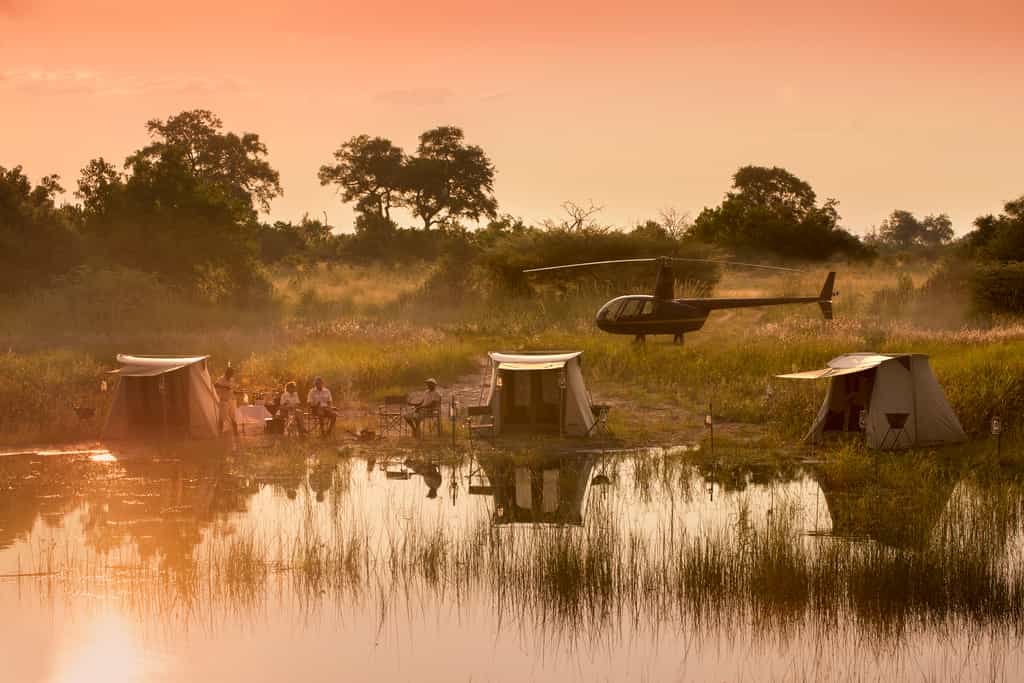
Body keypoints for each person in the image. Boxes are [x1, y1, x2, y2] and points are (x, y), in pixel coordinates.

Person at [214, 366, 238, 438]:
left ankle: (236, 433)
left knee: (233, 417)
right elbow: (215, 385)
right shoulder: (221, 379)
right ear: (227, 373)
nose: (231, 375)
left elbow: (232, 389)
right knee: (221, 418)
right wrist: (224, 387)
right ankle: (219, 433)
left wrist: (235, 392)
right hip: (224, 401)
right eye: (230, 374)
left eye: (232, 374)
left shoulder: (232, 379)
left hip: (231, 400)